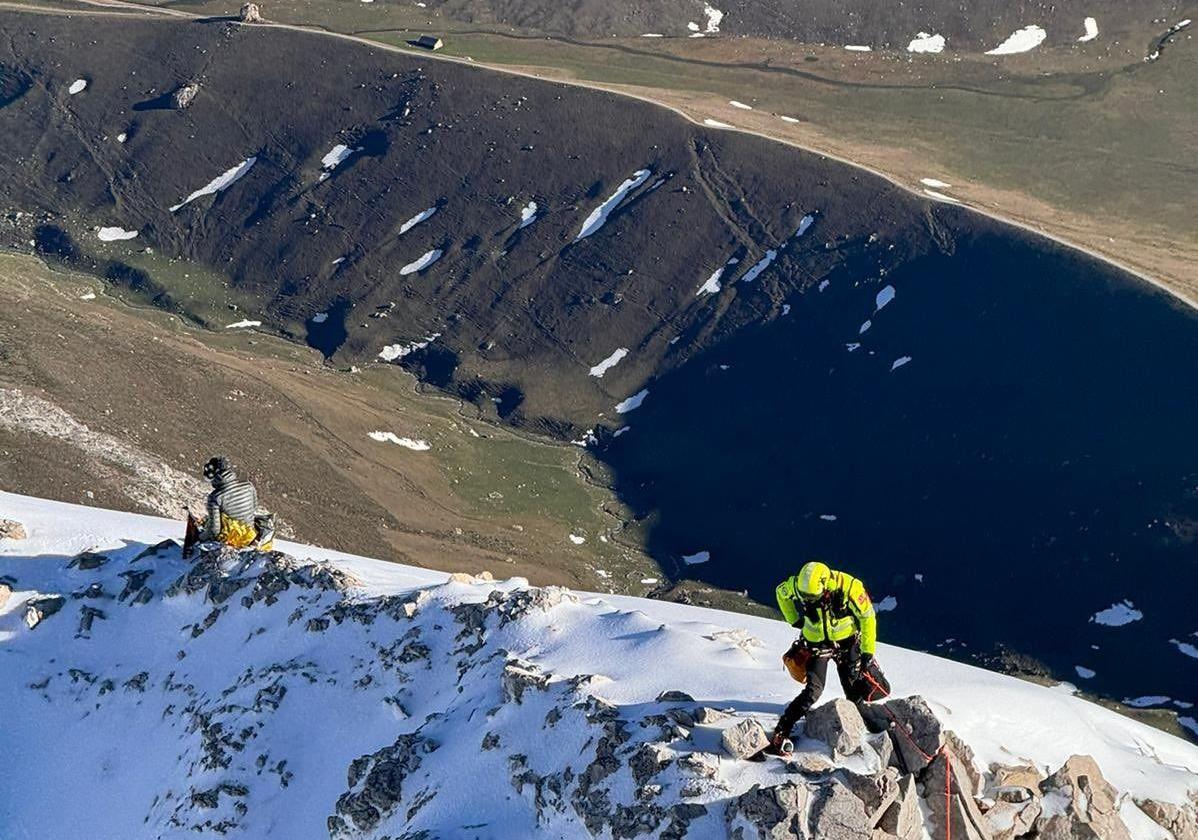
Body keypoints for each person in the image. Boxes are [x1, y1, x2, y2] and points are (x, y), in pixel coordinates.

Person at [767, 560, 888, 755]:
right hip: (818, 644)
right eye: (805, 597)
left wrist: (867, 651)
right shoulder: (801, 585)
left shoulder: (849, 587)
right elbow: (782, 593)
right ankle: (783, 728)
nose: (808, 600)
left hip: (844, 643)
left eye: (812, 597)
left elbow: (867, 617)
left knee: (852, 688)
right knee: (813, 690)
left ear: (825, 585)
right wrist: (793, 619)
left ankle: (863, 722)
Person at [196, 456, 275, 551]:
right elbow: (253, 510)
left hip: (233, 541)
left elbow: (214, 530)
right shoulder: (249, 486)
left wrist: (200, 537)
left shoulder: (215, 497)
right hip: (252, 536)